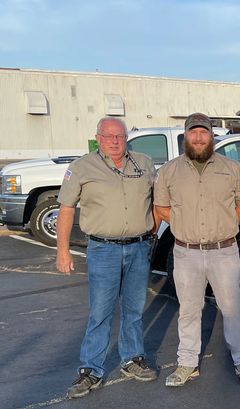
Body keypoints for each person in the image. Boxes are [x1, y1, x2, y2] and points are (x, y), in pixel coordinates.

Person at [56, 117, 158, 399]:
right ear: (98, 138)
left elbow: (158, 199)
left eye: (120, 136)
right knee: (100, 312)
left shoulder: (144, 163)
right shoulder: (81, 168)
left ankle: (132, 359)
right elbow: (66, 208)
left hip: (138, 248)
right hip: (103, 250)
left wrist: (152, 228)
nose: (115, 141)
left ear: (126, 138)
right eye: (109, 136)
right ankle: (91, 369)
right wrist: (62, 250)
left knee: (134, 310)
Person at [154, 112, 240, 386]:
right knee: (188, 309)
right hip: (185, 253)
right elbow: (161, 207)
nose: (198, 137)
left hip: (223, 251)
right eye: (193, 132)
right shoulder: (169, 171)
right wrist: (180, 223)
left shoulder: (231, 168)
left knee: (232, 307)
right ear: (185, 136)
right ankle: (187, 363)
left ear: (211, 136)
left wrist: (225, 222)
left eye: (203, 132)